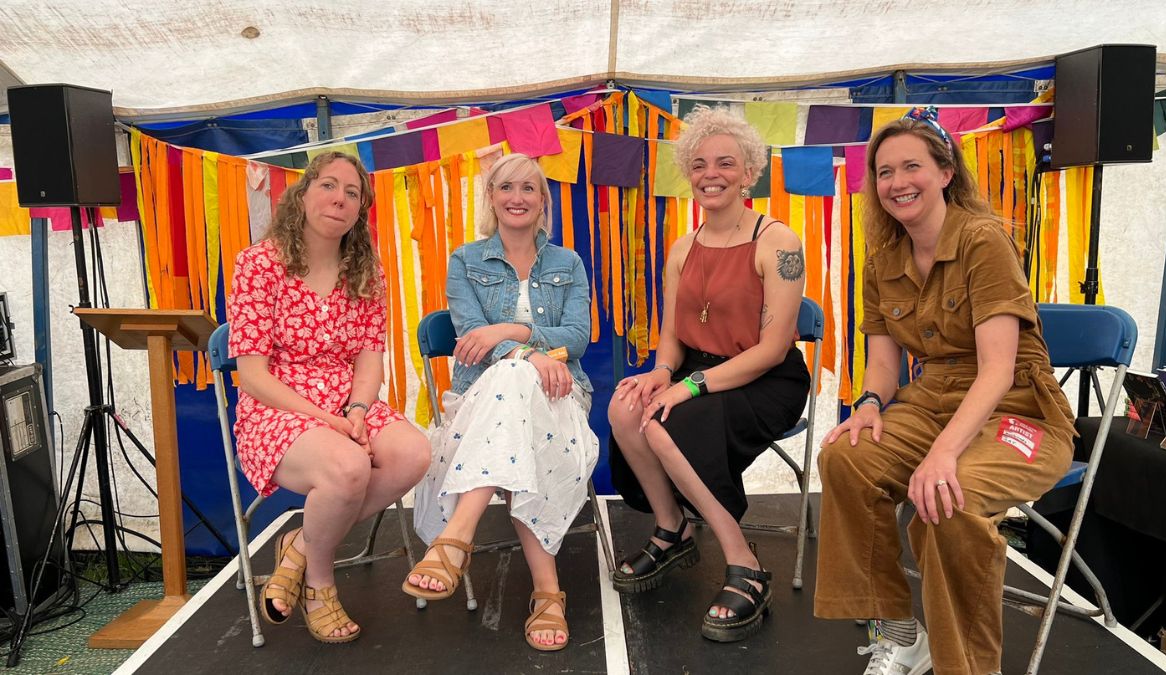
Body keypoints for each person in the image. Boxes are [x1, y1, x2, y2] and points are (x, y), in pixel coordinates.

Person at [812, 110, 1076, 675]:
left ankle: (967, 666)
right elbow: (882, 364)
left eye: (912, 166)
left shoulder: (984, 241)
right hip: (931, 400)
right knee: (845, 457)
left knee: (947, 499)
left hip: (1018, 409)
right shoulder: (882, 261)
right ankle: (902, 633)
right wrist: (868, 404)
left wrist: (942, 454)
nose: (898, 182)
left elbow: (998, 370)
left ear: (946, 171)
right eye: (885, 172)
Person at [606, 105, 810, 643]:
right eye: (698, 164)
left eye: (725, 162)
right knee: (625, 407)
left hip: (765, 378)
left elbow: (770, 350)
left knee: (662, 423)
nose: (710, 174)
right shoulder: (680, 248)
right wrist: (661, 371)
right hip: (695, 369)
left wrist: (689, 385)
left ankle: (745, 564)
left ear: (749, 172)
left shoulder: (779, 242)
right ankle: (672, 529)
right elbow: (672, 333)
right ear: (688, 174)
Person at [226, 151, 431, 644]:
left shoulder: (364, 270)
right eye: (328, 185)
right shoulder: (258, 264)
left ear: (360, 209)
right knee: (348, 469)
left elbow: (368, 359)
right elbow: (252, 376)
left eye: (352, 193)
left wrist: (357, 410)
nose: (340, 198)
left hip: (345, 400)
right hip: (277, 407)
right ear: (303, 193)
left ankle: (300, 545)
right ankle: (319, 580)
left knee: (415, 453)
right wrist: (326, 419)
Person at [409, 153, 599, 652]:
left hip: (560, 398)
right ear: (491, 198)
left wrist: (512, 331)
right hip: (479, 401)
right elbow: (472, 337)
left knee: (517, 378)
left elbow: (578, 338)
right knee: (514, 380)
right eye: (507, 187)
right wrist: (530, 354)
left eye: (529, 189)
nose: (518, 197)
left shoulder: (569, 263)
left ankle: (455, 540)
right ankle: (547, 591)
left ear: (543, 202)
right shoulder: (465, 261)